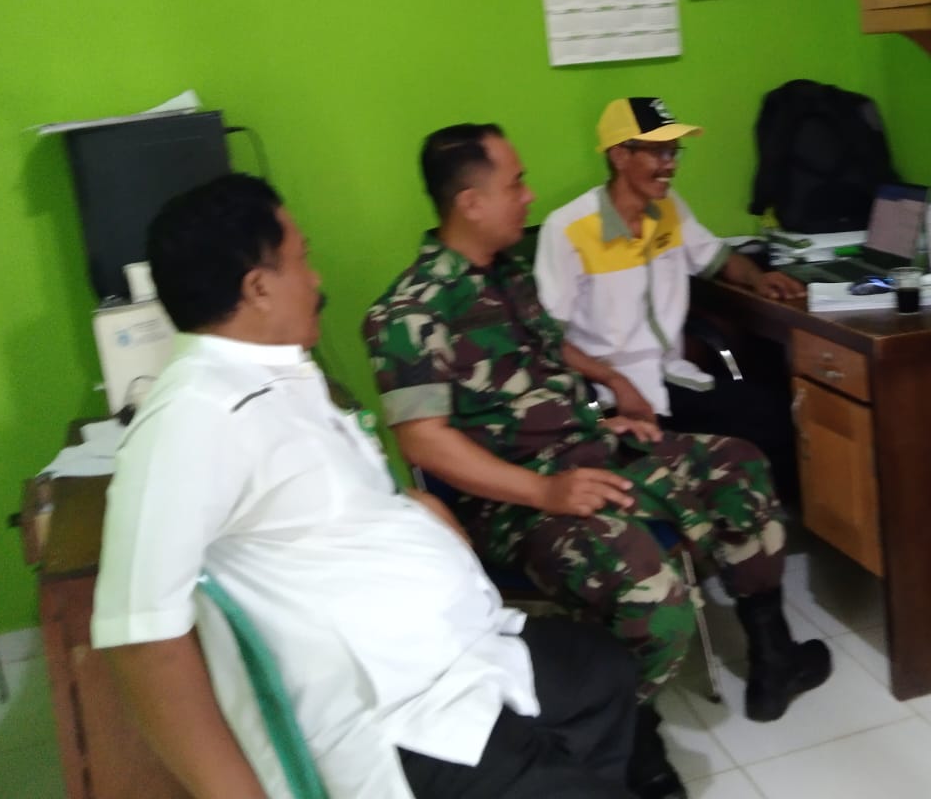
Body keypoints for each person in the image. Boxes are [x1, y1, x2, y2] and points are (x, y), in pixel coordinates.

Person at [93, 173, 639, 799]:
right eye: (303, 261)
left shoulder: (277, 377)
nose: (317, 279)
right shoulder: (192, 418)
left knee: (601, 670)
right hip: (404, 715)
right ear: (259, 288)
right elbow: (143, 641)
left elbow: (312, 507)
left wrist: (413, 510)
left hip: (462, 652)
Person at [363, 125, 832, 799]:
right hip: (515, 498)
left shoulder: (508, 273)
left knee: (740, 466)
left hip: (588, 448)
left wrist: (607, 396)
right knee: (651, 593)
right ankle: (631, 734)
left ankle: (773, 655)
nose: (529, 196)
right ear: (470, 202)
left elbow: (546, 354)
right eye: (515, 184)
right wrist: (545, 492)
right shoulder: (410, 312)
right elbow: (423, 442)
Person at [534, 97, 805, 503]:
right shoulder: (568, 229)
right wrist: (615, 381)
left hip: (670, 377)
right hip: (606, 392)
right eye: (658, 152)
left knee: (774, 416)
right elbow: (548, 339)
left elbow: (717, 258)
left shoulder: (668, 209)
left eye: (674, 152)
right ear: (620, 155)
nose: (670, 165)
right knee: (676, 468)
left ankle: (766, 525)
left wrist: (758, 278)